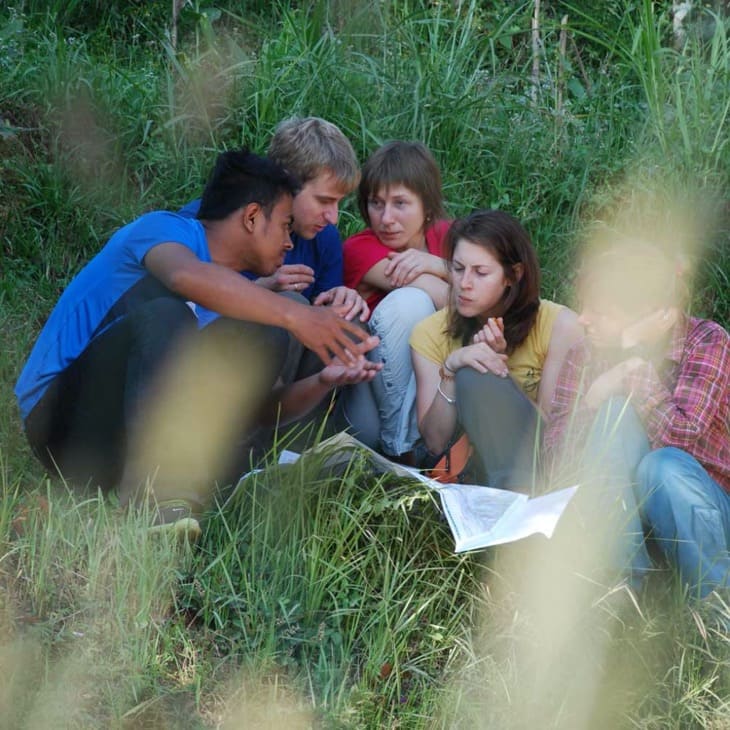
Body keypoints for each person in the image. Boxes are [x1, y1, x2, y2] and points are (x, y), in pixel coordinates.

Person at [15, 149, 378, 535]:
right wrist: (296, 314)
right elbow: (182, 278)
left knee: (263, 336)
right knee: (170, 315)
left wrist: (326, 380)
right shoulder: (164, 231)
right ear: (252, 217)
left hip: (116, 449)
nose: (290, 242)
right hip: (60, 426)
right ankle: (153, 502)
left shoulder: (232, 295)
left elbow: (254, 411)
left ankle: (188, 494)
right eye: (286, 226)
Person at [543, 241, 730, 597]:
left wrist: (633, 363)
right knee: (613, 412)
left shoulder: (706, 342)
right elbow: (555, 461)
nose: (582, 319)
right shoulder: (584, 354)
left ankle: (717, 605)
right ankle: (622, 591)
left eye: (598, 310)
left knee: (661, 466)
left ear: (649, 315)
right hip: (624, 523)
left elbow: (683, 438)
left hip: (706, 513)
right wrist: (595, 399)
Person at [410, 209, 582, 490]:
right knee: (470, 372)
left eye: (480, 272)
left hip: (535, 472)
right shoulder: (429, 332)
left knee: (479, 375)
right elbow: (434, 441)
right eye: (457, 268)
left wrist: (499, 374)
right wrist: (453, 368)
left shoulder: (560, 326)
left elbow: (552, 434)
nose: (464, 284)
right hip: (465, 468)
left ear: (512, 276)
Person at [180, 116, 369, 325]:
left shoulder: (323, 236)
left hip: (296, 349)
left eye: (338, 203)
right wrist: (260, 289)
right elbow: (177, 313)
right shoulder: (206, 223)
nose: (333, 218)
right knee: (290, 301)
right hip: (209, 349)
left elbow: (325, 314)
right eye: (324, 201)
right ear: (286, 183)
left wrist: (342, 297)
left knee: (351, 319)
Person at [342, 141, 452, 459]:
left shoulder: (449, 236)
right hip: (373, 384)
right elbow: (448, 298)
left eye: (400, 203)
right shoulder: (359, 247)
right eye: (376, 203)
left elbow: (494, 296)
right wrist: (450, 275)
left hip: (436, 374)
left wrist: (437, 264)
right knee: (411, 302)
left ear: (427, 207)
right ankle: (402, 450)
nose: (386, 218)